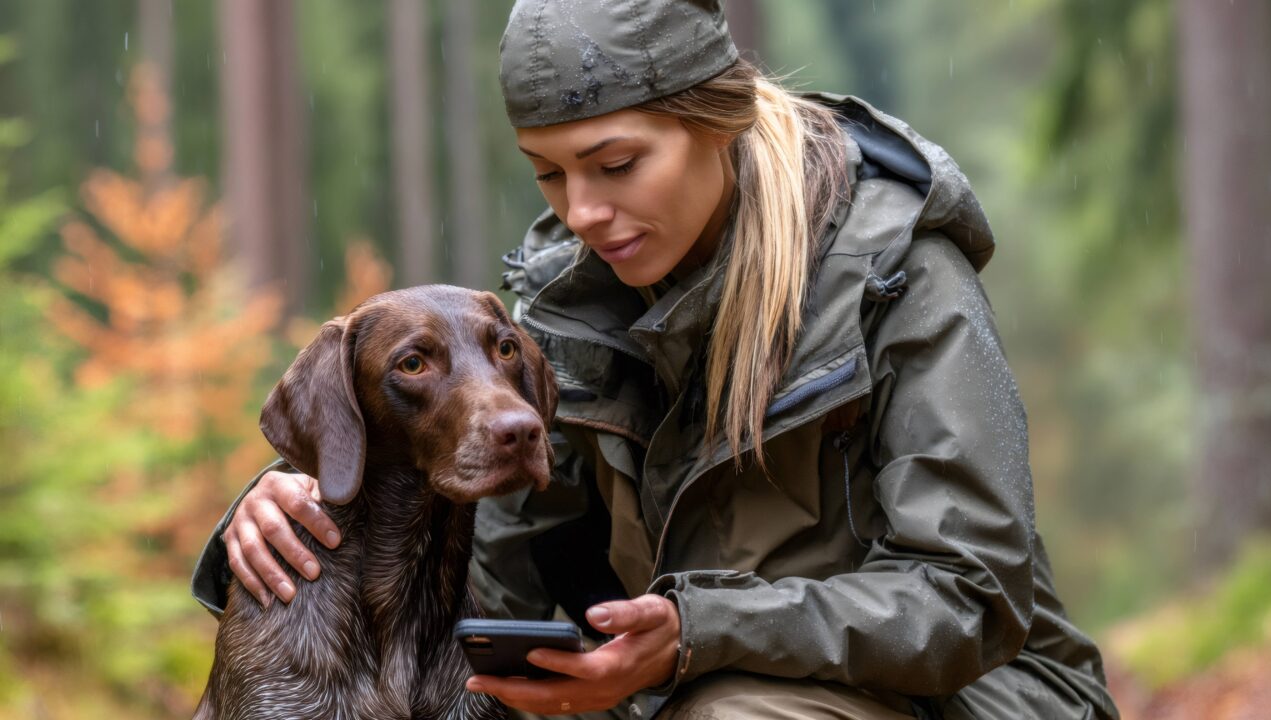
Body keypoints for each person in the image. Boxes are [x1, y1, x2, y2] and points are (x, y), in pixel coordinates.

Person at [191, 1, 1120, 718]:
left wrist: (697, 633)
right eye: (550, 173)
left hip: (973, 695)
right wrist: (288, 504)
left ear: (718, 122)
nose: (583, 210)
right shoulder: (559, 307)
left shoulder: (897, 277)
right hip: (676, 692)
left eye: (616, 164)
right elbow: (485, 574)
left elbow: (973, 597)